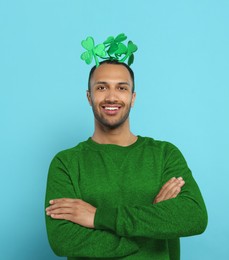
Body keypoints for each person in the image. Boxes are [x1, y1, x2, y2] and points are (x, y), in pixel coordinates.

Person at [45, 58, 207, 259]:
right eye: (102, 87)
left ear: (133, 97)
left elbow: (194, 217)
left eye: (121, 88)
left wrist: (98, 217)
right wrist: (154, 222)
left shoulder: (165, 154)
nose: (112, 97)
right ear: (89, 97)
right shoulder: (66, 163)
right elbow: (64, 240)